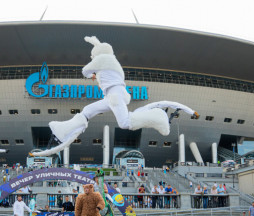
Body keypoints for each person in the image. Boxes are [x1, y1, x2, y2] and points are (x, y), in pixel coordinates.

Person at [45, 36, 199, 154]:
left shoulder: (102, 59)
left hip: (114, 94)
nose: (92, 58)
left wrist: (91, 75)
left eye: (93, 55)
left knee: (125, 123)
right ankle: (65, 130)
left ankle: (158, 116)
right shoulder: (111, 60)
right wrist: (96, 44)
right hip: (112, 95)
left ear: (97, 54)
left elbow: (85, 70)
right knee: (87, 111)